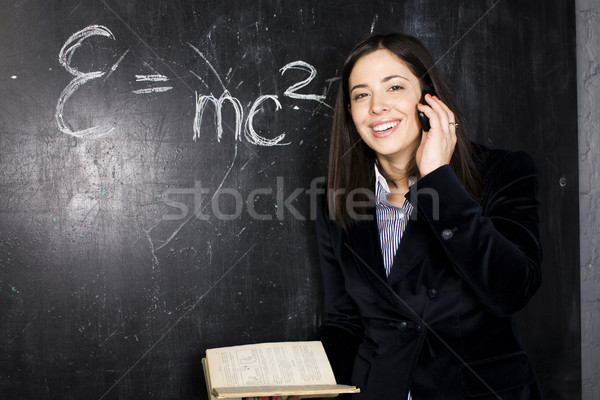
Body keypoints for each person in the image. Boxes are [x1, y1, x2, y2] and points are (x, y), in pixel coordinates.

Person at [312, 33, 543, 399]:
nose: (376, 107)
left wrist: (439, 180)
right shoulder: (335, 197)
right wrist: (305, 382)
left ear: (429, 98)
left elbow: (511, 291)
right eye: (361, 94)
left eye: (394, 88)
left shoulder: (503, 172)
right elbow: (345, 322)